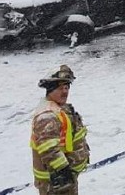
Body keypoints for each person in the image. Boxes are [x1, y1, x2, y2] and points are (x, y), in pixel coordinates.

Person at [31, 65, 90, 195]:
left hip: (65, 179)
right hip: (56, 181)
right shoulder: (47, 115)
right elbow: (48, 148)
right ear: (50, 90)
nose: (65, 91)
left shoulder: (59, 109)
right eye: (60, 88)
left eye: (67, 87)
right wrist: (63, 171)